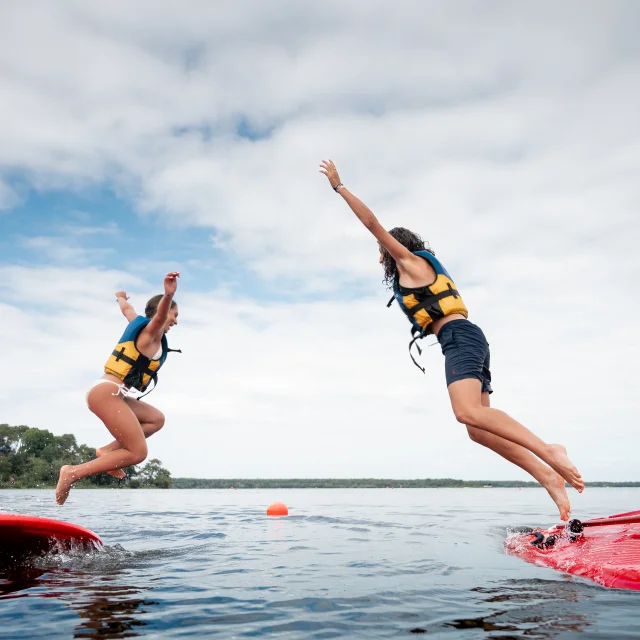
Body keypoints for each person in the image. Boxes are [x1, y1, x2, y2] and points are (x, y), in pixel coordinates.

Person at [319, 159, 583, 520]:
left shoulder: (409, 261)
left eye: (385, 249)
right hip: (466, 339)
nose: (381, 254)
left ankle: (549, 450)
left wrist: (339, 188)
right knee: (477, 429)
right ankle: (547, 476)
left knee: (465, 413)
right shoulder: (419, 269)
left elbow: (371, 224)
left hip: (460, 337)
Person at [55, 272, 180, 505]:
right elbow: (160, 315)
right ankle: (72, 472)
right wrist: (168, 295)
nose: (175, 320)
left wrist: (121, 298)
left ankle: (108, 451)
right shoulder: (152, 333)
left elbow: (127, 311)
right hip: (107, 392)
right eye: (175, 314)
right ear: (163, 313)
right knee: (137, 453)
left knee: (155, 419)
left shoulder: (139, 325)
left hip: (114, 393)